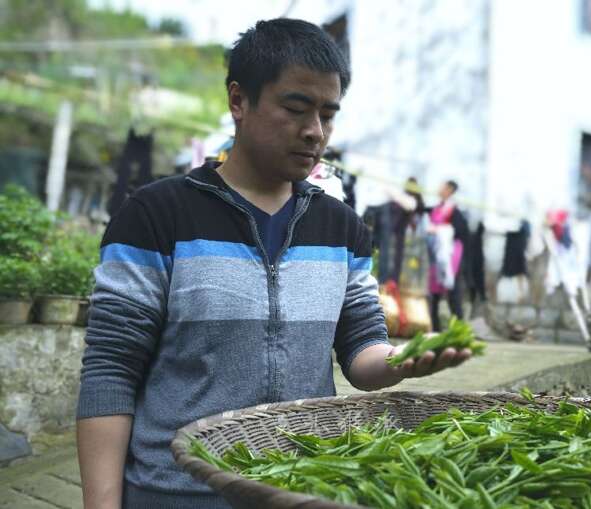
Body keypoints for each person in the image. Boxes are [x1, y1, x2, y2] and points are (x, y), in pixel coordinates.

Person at [76, 18, 472, 509]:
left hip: (301, 487)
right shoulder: (158, 216)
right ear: (238, 101)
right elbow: (111, 372)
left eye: (329, 114)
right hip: (176, 490)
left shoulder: (342, 227)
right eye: (295, 108)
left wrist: (405, 362)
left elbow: (362, 354)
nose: (315, 132)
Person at [426, 180, 469, 331]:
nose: (440, 189)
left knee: (453, 294)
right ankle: (435, 330)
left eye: (443, 187)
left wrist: (438, 230)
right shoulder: (436, 208)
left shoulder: (455, 210)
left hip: (451, 256)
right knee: (434, 295)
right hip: (435, 256)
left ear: (450, 189)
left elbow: (460, 230)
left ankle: (459, 331)